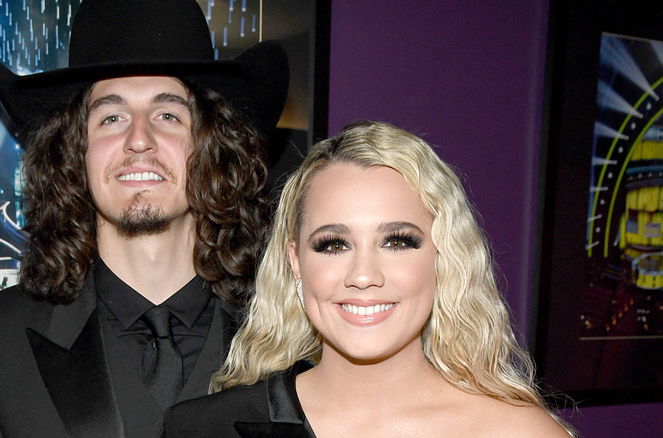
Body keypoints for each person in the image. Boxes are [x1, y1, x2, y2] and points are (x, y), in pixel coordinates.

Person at [0, 0, 288, 436]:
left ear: (210, 144)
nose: (139, 139)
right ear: (75, 152)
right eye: (112, 117)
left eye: (167, 115)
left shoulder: (290, 333)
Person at [163, 121, 575, 437]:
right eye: (333, 244)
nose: (363, 276)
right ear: (295, 260)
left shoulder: (518, 431)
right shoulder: (206, 428)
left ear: (443, 254)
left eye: (397, 242)